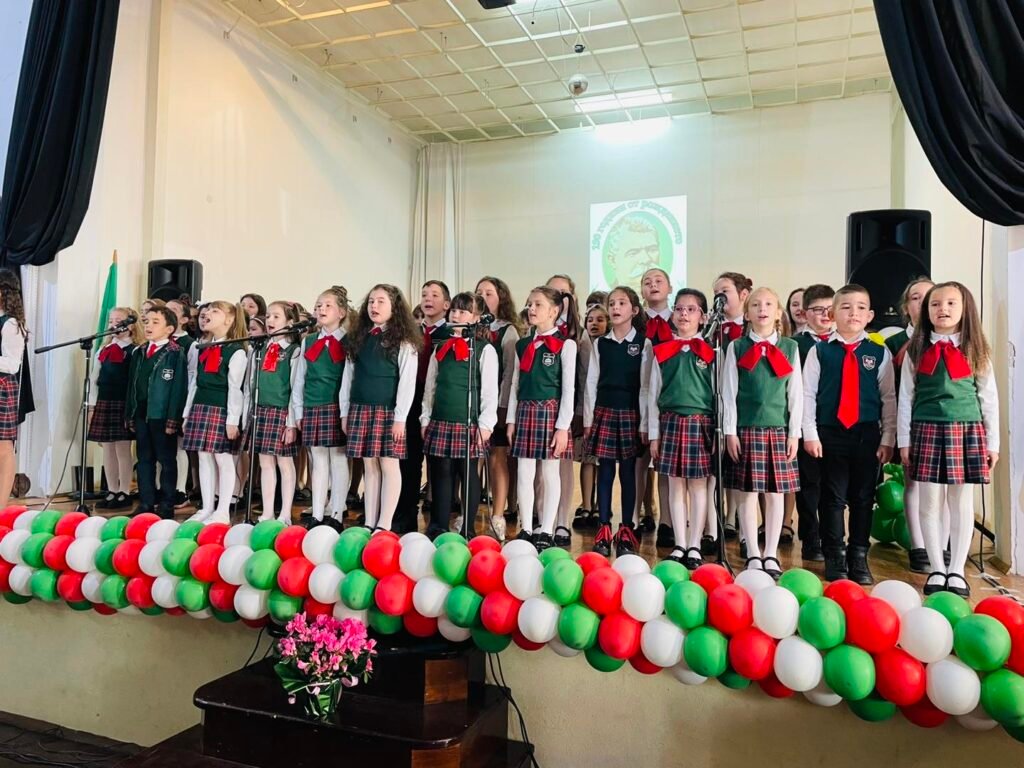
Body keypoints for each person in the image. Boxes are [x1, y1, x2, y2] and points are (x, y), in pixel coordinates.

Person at [899, 282, 998, 598]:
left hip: (966, 430)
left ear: (965, 308)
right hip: (927, 428)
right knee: (929, 501)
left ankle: (956, 569)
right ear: (926, 311)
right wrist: (904, 440)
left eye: (951, 303)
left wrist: (992, 443)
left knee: (960, 502)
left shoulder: (976, 349)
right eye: (935, 304)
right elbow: (906, 398)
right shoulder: (916, 350)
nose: (943, 309)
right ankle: (936, 568)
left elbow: (989, 398)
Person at [802, 285, 896, 584]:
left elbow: (888, 398)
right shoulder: (820, 351)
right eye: (845, 307)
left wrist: (888, 438)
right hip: (830, 433)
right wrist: (810, 433)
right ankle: (835, 554)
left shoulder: (878, 352)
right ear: (832, 314)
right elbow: (808, 394)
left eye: (860, 308)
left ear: (869, 315)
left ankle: (858, 554)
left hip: (866, 434)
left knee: (863, 498)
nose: (853, 313)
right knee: (832, 497)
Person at [723, 287, 802, 578]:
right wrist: (730, 431)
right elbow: (729, 393)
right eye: (755, 304)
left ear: (778, 312)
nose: (762, 309)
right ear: (747, 313)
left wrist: (794, 433)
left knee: (775, 494)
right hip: (747, 429)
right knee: (747, 493)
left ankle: (770, 552)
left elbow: (796, 394)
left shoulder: (790, 347)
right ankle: (753, 553)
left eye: (769, 303)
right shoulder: (737, 347)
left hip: (779, 429)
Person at [340, 284, 419, 533]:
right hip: (360, 408)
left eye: (381, 301)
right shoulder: (359, 338)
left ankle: (384, 522)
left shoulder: (404, 342)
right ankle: (369, 521)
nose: (374, 306)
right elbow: (348, 377)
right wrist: (344, 411)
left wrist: (400, 418)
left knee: (389, 465)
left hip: (387, 411)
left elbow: (407, 383)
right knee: (369, 465)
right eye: (371, 301)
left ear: (395, 307)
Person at [421, 293, 498, 539]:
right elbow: (431, 386)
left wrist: (486, 424)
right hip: (441, 419)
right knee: (441, 472)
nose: (455, 315)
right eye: (453, 310)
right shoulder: (440, 347)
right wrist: (425, 417)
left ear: (476, 318)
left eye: (463, 311)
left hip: (468, 422)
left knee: (468, 472)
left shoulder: (484, 350)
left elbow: (489, 391)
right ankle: (438, 525)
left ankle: (468, 527)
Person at [507, 285, 578, 551]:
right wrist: (511, 420)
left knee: (550, 472)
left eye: (538, 304)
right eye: (530, 304)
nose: (531, 308)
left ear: (554, 311)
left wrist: (562, 427)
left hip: (551, 412)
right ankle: (527, 527)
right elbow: (515, 384)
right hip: (525, 411)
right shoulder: (522, 344)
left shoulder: (566, 345)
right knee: (524, 472)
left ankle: (547, 529)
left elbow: (569, 389)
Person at [649, 289, 716, 569]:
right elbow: (653, 394)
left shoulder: (712, 352)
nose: (684, 314)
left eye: (691, 309)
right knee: (675, 485)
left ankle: (695, 544)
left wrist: (719, 432)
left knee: (698, 486)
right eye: (678, 308)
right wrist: (654, 434)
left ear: (703, 317)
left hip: (701, 423)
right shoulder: (662, 351)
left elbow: (720, 395)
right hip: (671, 422)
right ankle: (679, 543)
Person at [584, 286, 650, 557]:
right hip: (605, 411)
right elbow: (591, 382)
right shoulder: (601, 344)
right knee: (605, 470)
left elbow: (646, 387)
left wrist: (644, 423)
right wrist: (589, 419)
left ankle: (626, 529)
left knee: (628, 472)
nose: (615, 308)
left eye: (622, 303)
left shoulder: (643, 344)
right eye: (612, 303)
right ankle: (603, 528)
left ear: (634, 310)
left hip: (630, 413)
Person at [886, 277, 938, 573]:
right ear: (906, 307)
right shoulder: (894, 344)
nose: (924, 302)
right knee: (913, 482)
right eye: (916, 297)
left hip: (940, 422)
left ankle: (940, 545)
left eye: (930, 296)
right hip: (908, 422)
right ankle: (918, 546)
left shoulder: (947, 341)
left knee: (943, 488)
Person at [183, 301, 248, 524]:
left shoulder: (236, 351)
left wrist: (233, 420)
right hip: (200, 407)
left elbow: (235, 388)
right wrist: (187, 413)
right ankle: (207, 507)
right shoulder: (204, 347)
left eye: (215, 311)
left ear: (229, 320)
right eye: (207, 310)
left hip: (221, 409)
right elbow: (195, 383)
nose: (207, 314)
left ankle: (222, 510)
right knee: (203, 457)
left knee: (223, 458)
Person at [125, 307, 188, 519]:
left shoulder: (175, 353)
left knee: (166, 459)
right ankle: (146, 502)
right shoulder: (139, 352)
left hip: (162, 415)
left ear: (169, 329)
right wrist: (130, 413)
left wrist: (173, 418)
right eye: (147, 321)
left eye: (155, 322)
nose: (149, 326)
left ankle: (167, 503)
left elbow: (178, 387)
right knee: (144, 459)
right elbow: (132, 385)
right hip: (142, 413)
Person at [297, 287, 351, 528]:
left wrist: (345, 412)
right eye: (318, 305)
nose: (321, 309)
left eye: (328, 305)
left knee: (338, 459)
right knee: (317, 460)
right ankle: (317, 513)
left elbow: (349, 379)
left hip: (336, 407)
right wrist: (298, 410)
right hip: (312, 405)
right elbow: (300, 378)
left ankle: (337, 513)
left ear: (342, 312)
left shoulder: (349, 341)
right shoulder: (308, 341)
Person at [400, 281, 451, 533]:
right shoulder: (413, 333)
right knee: (408, 460)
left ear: (447, 304)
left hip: (436, 403)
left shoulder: (450, 335)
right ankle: (405, 517)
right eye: (424, 295)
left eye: (434, 295)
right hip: (411, 400)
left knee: (439, 465)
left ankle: (438, 523)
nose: (428, 299)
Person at [246, 301, 302, 523]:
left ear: (290, 321)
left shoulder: (293, 351)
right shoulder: (260, 349)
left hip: (281, 413)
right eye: (268, 316)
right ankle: (268, 511)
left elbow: (295, 388)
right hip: (261, 411)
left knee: (284, 463)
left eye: (276, 317)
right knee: (265, 463)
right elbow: (252, 383)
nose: (270, 320)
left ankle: (285, 513)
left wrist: (291, 422)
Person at [791, 284, 835, 562]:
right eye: (818, 310)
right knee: (809, 484)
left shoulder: (843, 343)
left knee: (834, 486)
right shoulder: (796, 344)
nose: (825, 315)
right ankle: (810, 538)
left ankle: (832, 538)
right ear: (805, 313)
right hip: (805, 423)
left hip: (835, 424)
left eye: (830, 309)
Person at [476, 276, 521, 540]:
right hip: (473, 402)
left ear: (500, 298)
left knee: (497, 457)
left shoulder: (508, 331)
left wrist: (502, 408)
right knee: (474, 458)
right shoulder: (470, 327)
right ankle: (469, 512)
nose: (483, 297)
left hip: (496, 405)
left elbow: (509, 373)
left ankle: (498, 515)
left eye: (489, 293)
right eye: (479, 292)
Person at [711, 271, 754, 549]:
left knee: (742, 465)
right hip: (716, 403)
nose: (719, 297)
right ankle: (721, 521)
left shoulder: (751, 329)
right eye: (716, 292)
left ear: (743, 294)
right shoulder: (713, 328)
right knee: (721, 465)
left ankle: (741, 522)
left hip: (746, 405)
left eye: (724, 291)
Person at [88, 307, 143, 510]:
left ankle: (124, 491)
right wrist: (91, 406)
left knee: (122, 448)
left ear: (131, 325)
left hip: (123, 403)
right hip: (104, 401)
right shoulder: (104, 349)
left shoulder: (135, 350)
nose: (113, 324)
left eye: (118, 320)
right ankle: (111, 490)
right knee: (107, 449)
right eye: (111, 321)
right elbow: (94, 379)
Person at [546, 274, 585, 548]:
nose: (559, 297)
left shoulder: (578, 334)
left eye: (563, 292)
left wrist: (579, 412)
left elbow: (582, 377)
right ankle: (543, 518)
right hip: (540, 409)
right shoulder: (536, 328)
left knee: (563, 466)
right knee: (542, 467)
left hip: (567, 410)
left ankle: (561, 519)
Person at [637, 267, 674, 546]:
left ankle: (668, 520)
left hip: (671, 396)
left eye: (659, 280)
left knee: (666, 462)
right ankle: (643, 511)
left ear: (670, 287)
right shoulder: (636, 321)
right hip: (639, 396)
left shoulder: (680, 318)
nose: (653, 285)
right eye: (647, 282)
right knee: (640, 458)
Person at [574, 301, 610, 529]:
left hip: (605, 408)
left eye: (600, 320)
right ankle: (586, 504)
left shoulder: (609, 346)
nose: (594, 324)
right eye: (590, 320)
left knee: (601, 461)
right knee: (587, 459)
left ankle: (600, 506)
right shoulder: (581, 346)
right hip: (584, 408)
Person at [0, 270, 28, 509]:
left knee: (3, 447)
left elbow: (12, 364)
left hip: (2, 387)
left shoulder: (10, 324)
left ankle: (0, 506)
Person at [166, 297, 196, 509]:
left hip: (180, 398)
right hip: (162, 400)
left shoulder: (189, 344)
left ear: (184, 319)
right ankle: (161, 487)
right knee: (161, 447)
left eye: (174, 310)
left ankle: (180, 489)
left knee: (179, 446)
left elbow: (192, 375)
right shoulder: (159, 342)